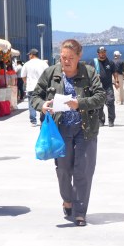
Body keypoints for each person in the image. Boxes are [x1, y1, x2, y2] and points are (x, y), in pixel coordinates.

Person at [30, 39, 106, 227]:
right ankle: (67, 199)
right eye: (63, 57)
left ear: (79, 56)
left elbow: (101, 96)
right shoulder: (51, 73)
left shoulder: (89, 72)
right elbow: (35, 96)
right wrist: (42, 105)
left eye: (71, 58)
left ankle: (80, 212)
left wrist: (80, 103)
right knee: (63, 170)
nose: (66, 61)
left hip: (85, 129)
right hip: (60, 129)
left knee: (83, 171)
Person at [19, 49, 48, 127]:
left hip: (31, 87)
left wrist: (26, 82)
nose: (29, 56)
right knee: (43, 103)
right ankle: (43, 120)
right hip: (42, 86)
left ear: (32, 55)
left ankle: (33, 121)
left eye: (29, 54)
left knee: (31, 104)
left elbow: (23, 76)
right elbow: (48, 74)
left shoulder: (27, 64)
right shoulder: (44, 63)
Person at [94, 46, 116, 126]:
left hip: (108, 86)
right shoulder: (94, 62)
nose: (103, 54)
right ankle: (101, 120)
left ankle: (111, 120)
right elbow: (90, 74)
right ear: (98, 54)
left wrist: (116, 81)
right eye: (101, 52)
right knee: (99, 104)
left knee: (110, 101)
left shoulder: (110, 62)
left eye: (104, 52)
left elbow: (114, 72)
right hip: (98, 86)